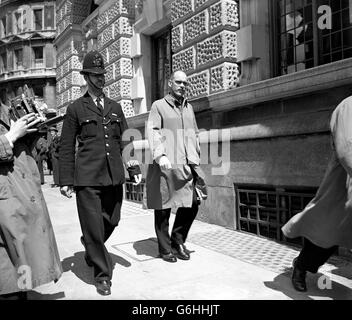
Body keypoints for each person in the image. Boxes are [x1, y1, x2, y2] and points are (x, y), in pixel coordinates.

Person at [59, 50, 142, 296]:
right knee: (94, 226)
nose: (100, 78)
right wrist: (66, 179)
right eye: (95, 75)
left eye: (102, 74)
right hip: (86, 177)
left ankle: (91, 244)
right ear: (86, 77)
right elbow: (66, 145)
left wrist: (134, 167)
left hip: (113, 175)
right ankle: (102, 275)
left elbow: (127, 140)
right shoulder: (76, 108)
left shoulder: (115, 107)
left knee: (112, 219)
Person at [282, 95, 352, 292]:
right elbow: (346, 148)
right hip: (343, 185)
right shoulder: (348, 106)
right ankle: (301, 266)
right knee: (326, 237)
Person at [0, 102, 62, 300]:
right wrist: (10, 136)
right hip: (6, 198)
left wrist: (36, 128)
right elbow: (11, 140)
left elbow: (35, 151)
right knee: (7, 272)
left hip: (19, 194)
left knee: (20, 260)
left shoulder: (5, 108)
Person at [146, 70, 207, 263]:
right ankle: (165, 249)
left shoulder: (189, 107)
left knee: (193, 202)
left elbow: (195, 133)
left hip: (188, 163)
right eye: (178, 82)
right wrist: (160, 154)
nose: (182, 85)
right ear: (170, 83)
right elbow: (153, 130)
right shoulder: (159, 106)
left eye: (185, 83)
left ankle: (177, 240)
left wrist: (196, 156)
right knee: (163, 206)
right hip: (166, 163)